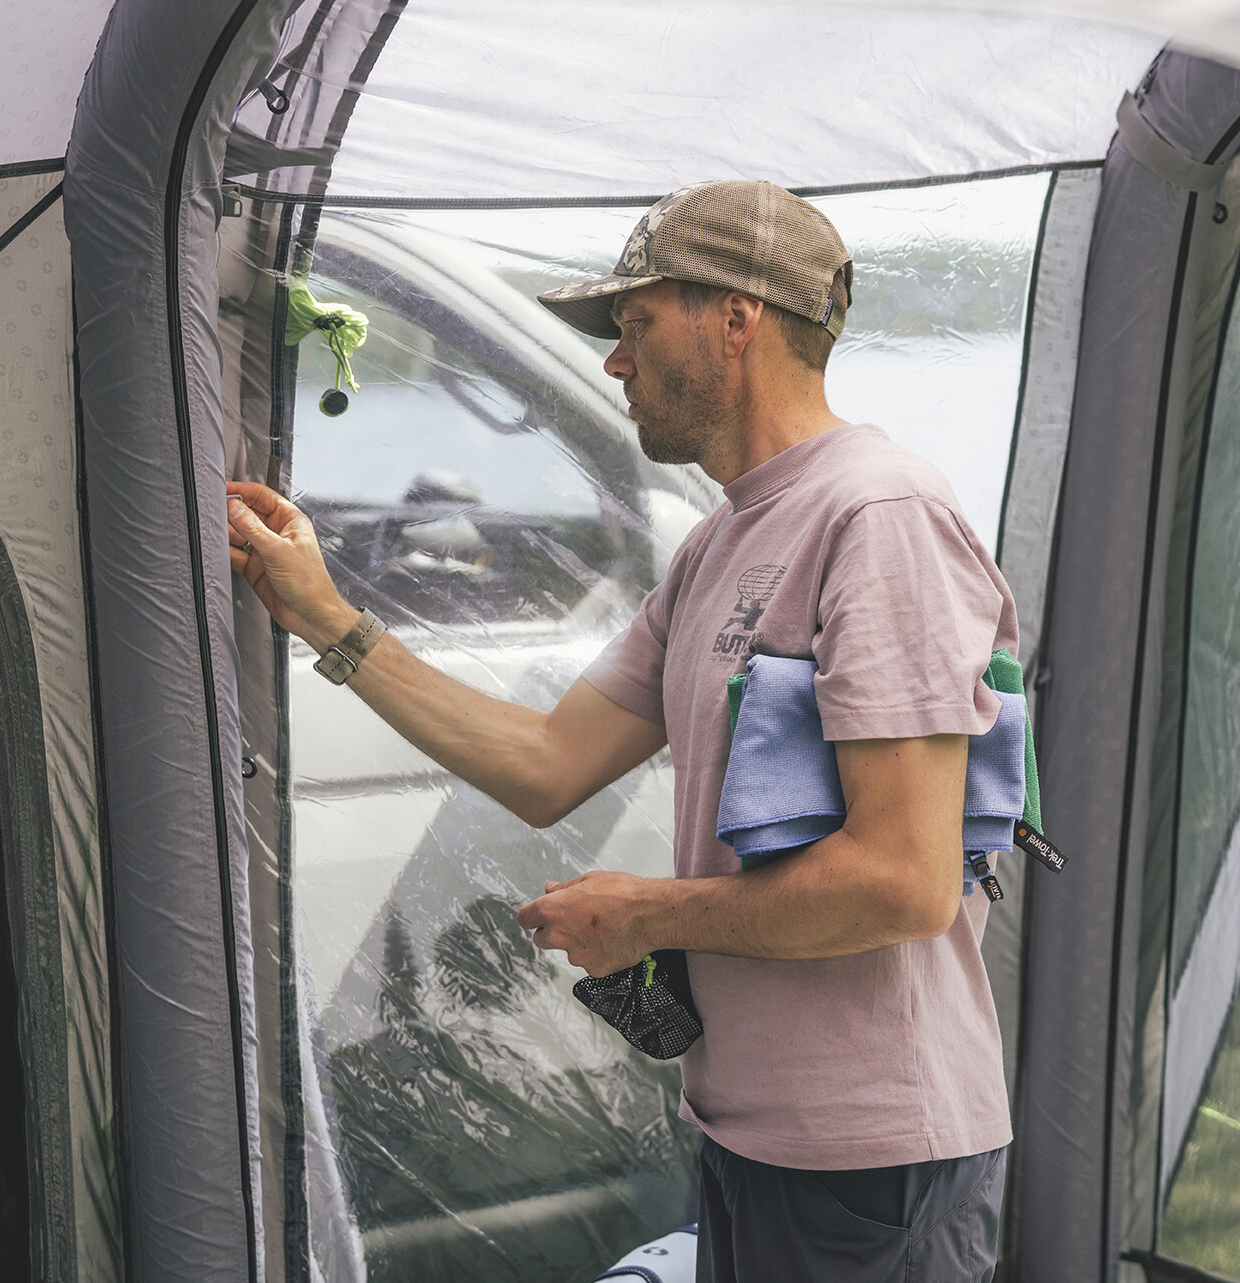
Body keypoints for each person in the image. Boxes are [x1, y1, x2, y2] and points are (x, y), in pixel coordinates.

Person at [226, 179, 1017, 1280]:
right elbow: (545, 762)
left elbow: (905, 879)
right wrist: (327, 618)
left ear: (736, 318)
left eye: (636, 324)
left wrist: (647, 912)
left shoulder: (881, 517)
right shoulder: (717, 545)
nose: (614, 361)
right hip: (749, 1137)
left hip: (871, 1159)